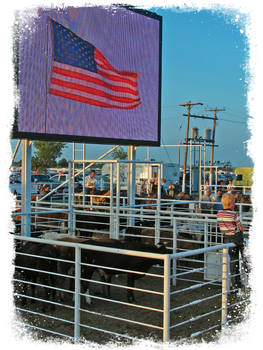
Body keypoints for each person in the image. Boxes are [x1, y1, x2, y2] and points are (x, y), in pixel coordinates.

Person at [217, 193, 249, 290]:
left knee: (233, 261)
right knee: (246, 257)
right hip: (236, 237)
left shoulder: (219, 213)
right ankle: (251, 278)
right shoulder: (234, 214)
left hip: (227, 238)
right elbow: (239, 226)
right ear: (232, 204)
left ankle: (235, 283)